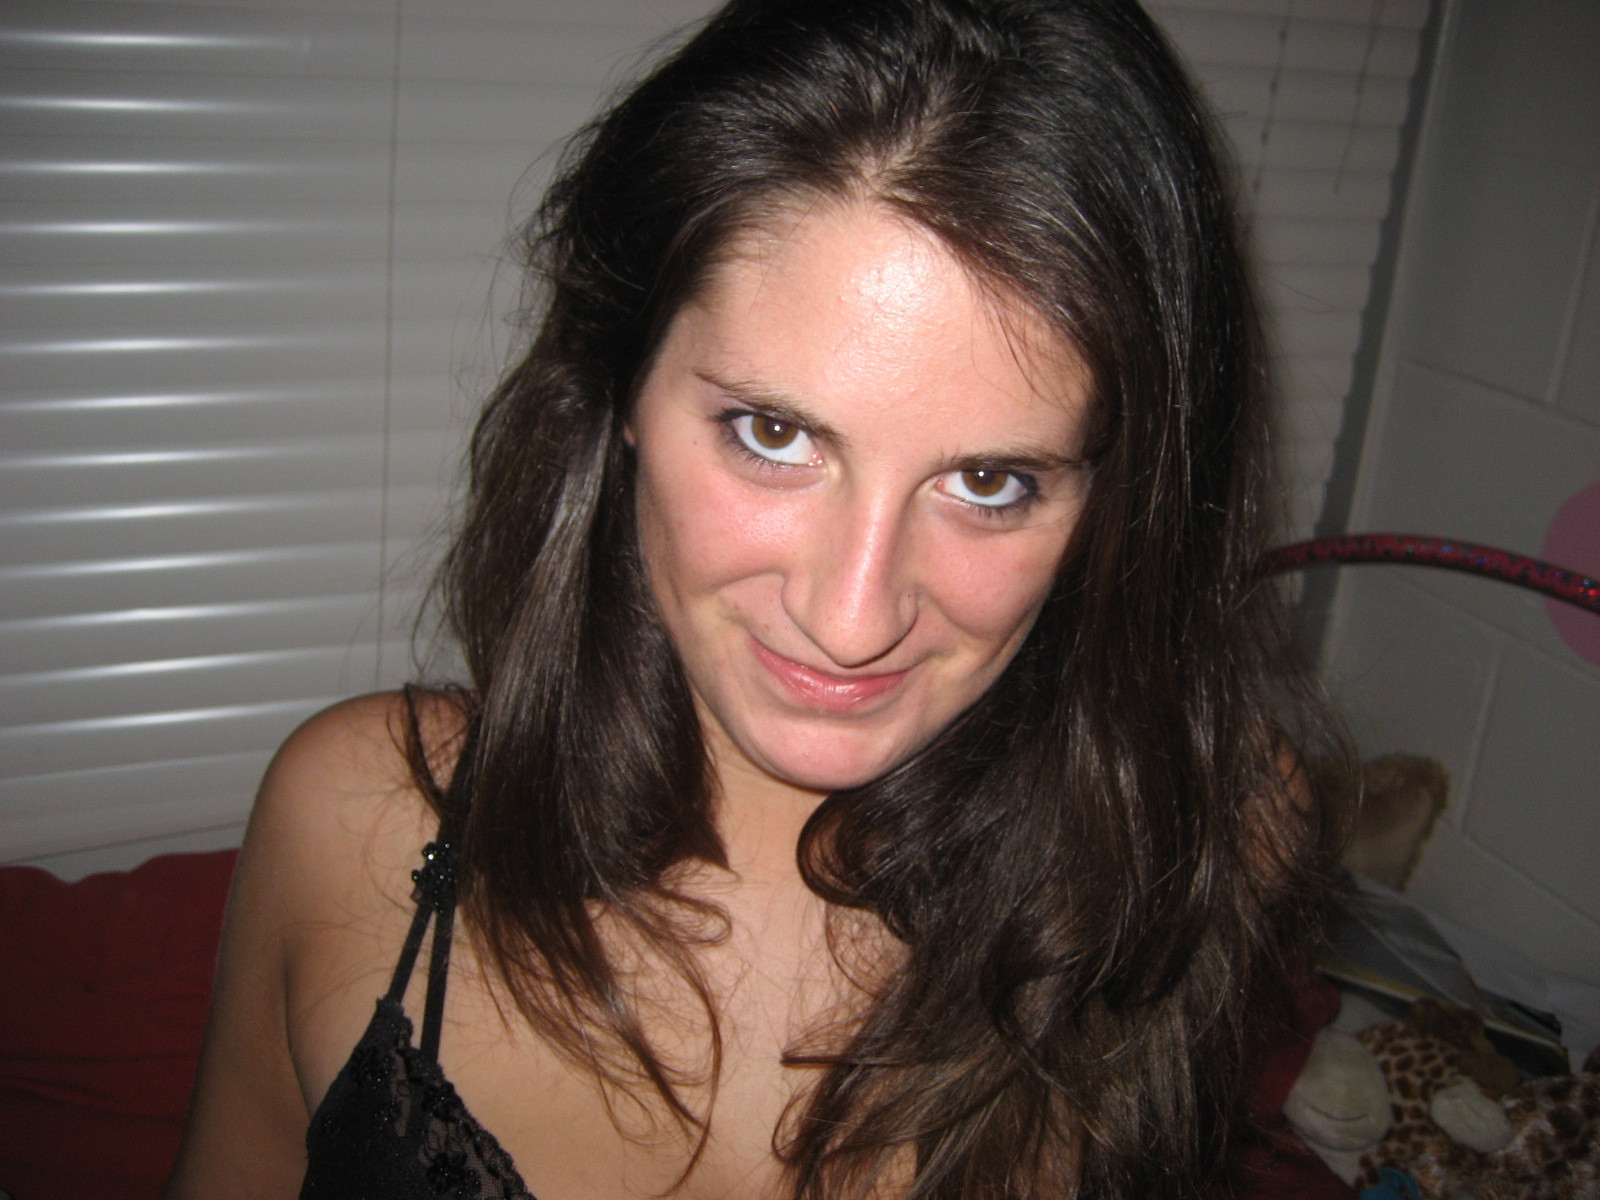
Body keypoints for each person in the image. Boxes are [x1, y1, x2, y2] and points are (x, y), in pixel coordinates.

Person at [164, 0, 1342, 1196]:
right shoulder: (357, 821)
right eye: (773, 433)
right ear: (622, 383)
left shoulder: (1211, 831)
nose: (851, 620)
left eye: (990, 482)